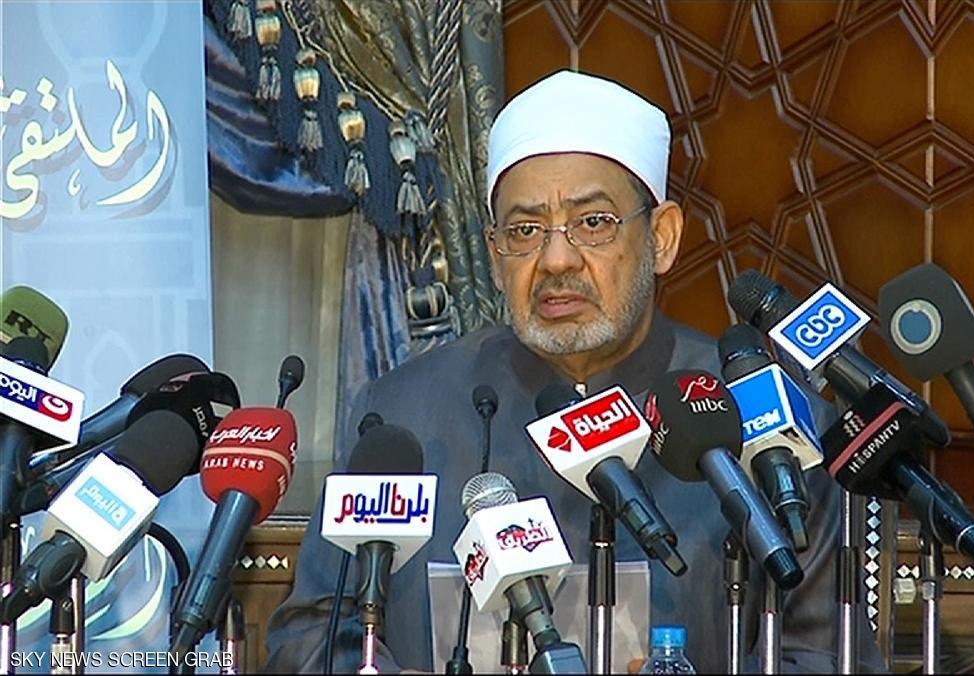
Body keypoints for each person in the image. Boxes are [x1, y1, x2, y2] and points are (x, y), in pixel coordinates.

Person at [265, 70, 883, 673]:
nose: (556, 259)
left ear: (662, 238)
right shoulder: (403, 414)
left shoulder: (766, 422)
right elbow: (310, 638)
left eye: (593, 223)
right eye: (525, 230)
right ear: (495, 255)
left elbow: (827, 654)